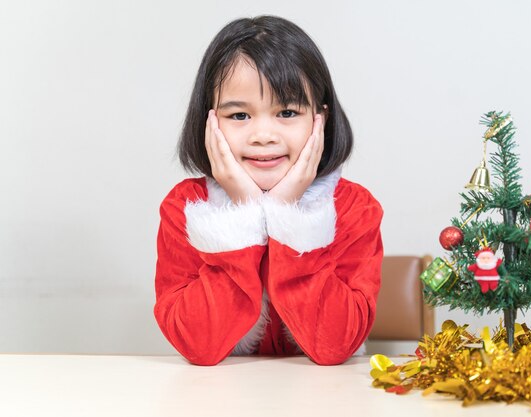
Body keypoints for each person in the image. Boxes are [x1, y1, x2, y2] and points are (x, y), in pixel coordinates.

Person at [154, 15, 383, 366]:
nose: (263, 135)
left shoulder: (353, 208)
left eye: (287, 112)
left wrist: (288, 216)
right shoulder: (185, 207)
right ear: (209, 120)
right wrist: (245, 213)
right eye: (239, 116)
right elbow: (198, 345)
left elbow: (336, 345)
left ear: (319, 119)